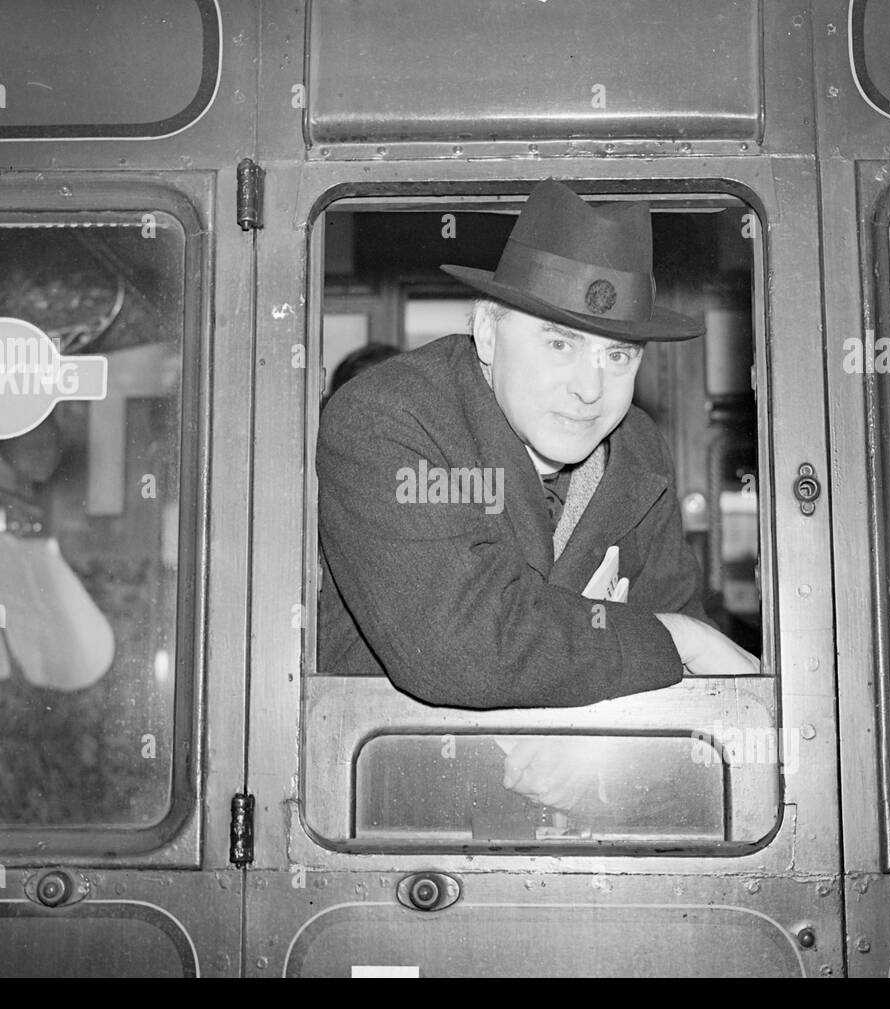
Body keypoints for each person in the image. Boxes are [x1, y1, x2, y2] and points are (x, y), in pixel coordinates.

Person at [317, 180, 757, 810]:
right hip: (394, 826)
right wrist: (677, 638)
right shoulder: (392, 421)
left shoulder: (638, 451)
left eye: (619, 355)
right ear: (487, 334)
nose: (590, 387)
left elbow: (690, 692)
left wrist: (595, 753)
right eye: (559, 343)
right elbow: (464, 645)